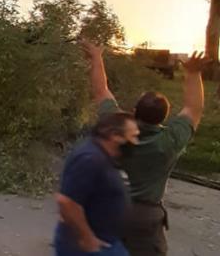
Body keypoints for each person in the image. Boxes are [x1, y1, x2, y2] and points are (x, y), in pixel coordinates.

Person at [81, 41, 211, 256]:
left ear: (133, 111)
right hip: (145, 217)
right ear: (164, 118)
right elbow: (193, 107)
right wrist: (193, 73)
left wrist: (96, 58)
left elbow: (101, 90)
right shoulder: (170, 140)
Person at [54, 107, 140, 256]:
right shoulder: (90, 159)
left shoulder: (104, 156)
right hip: (90, 246)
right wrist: (87, 238)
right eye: (133, 136)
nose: (136, 142)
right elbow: (67, 202)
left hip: (108, 242)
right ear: (115, 136)